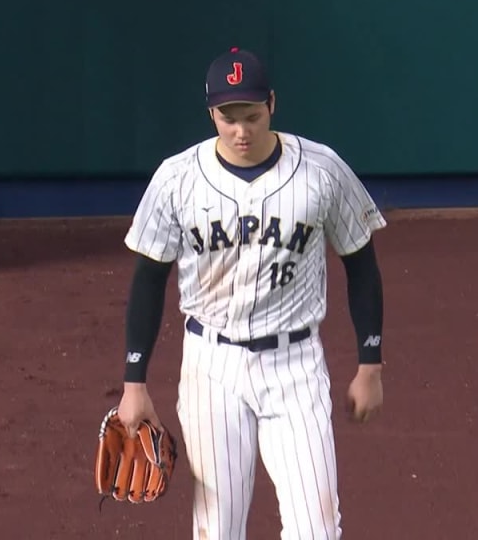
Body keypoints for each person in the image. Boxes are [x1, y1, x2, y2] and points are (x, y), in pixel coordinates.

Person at [117, 47, 387, 539]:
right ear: (211, 113)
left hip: (296, 367)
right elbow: (149, 279)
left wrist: (371, 363)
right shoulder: (177, 179)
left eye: (252, 116)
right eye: (228, 117)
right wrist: (134, 382)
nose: (241, 131)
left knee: (318, 531)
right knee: (218, 529)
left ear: (273, 105)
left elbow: (361, 263)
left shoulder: (322, 170)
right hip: (210, 368)